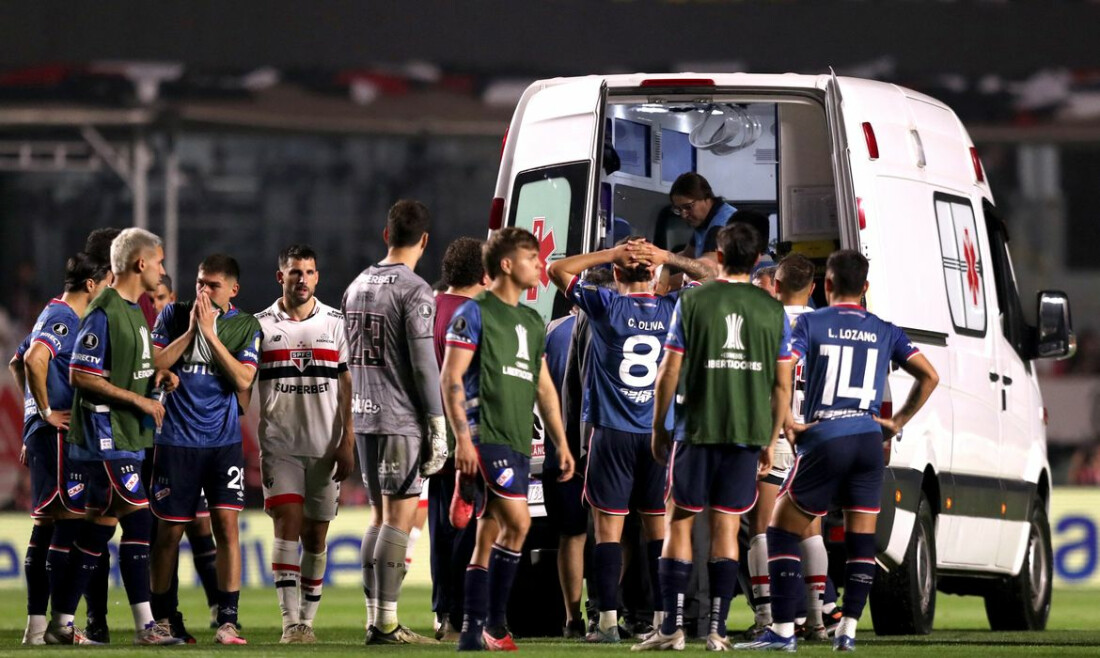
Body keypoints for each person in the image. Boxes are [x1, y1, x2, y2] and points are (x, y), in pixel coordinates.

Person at [736, 249, 939, 652]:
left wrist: (786, 424)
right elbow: (930, 376)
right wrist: (897, 421)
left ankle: (782, 630)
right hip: (867, 438)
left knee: (779, 530)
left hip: (826, 435)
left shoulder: (811, 323)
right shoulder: (884, 328)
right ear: (864, 288)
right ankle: (846, 627)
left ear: (826, 285)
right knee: (861, 540)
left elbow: (784, 371)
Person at [547, 238, 714, 643]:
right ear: (655, 275)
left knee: (608, 532)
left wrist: (610, 254)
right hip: (659, 435)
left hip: (612, 434)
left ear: (618, 274)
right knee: (660, 531)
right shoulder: (677, 307)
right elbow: (712, 276)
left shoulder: (603, 304)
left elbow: (556, 270)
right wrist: (667, 258)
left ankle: (605, 624)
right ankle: (661, 621)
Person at [638, 222, 793, 652]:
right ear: (757, 259)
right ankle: (717, 631)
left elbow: (668, 371)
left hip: (697, 429)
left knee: (680, 520)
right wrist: (769, 436)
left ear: (719, 258)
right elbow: (782, 385)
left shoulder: (693, 300)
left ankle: (671, 628)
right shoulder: (772, 310)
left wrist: (657, 427)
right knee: (727, 526)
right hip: (746, 433)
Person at [441, 227, 576, 651]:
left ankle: (471, 631)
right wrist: (462, 440)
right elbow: (450, 379)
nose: (540, 265)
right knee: (518, 523)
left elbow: (544, 388)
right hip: (487, 434)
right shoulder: (475, 311)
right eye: (531, 258)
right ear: (505, 265)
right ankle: (494, 626)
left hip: (518, 437)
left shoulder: (531, 320)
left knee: (490, 534)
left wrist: (562, 442)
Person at [58, 228, 182, 645]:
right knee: (139, 520)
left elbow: (134, 369)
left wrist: (158, 378)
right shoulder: (105, 309)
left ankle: (59, 624)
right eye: (159, 262)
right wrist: (141, 401)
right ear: (140, 263)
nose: (163, 270)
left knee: (97, 531)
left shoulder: (135, 311)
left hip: (128, 435)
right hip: (103, 435)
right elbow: (81, 374)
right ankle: (147, 628)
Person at [342, 200, 447, 645]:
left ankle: (375, 619)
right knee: (399, 520)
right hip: (401, 418)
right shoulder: (416, 290)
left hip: (364, 415)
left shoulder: (354, 285)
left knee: (378, 516)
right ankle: (386, 624)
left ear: (387, 235)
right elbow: (424, 366)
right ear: (424, 240)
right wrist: (438, 424)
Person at [148, 253, 261, 645]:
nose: (203, 291)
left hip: (223, 443)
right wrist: (193, 330)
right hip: (175, 442)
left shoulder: (245, 326)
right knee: (169, 534)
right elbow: (154, 362)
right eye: (199, 282)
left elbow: (245, 378)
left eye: (212, 285)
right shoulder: (173, 316)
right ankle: (163, 618)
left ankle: (227, 620)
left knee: (227, 528)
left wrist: (211, 336)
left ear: (232, 289)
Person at [255, 244, 356, 644]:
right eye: (295, 272)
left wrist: (347, 438)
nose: (303, 279)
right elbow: (246, 383)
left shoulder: (336, 322)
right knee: (288, 526)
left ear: (318, 277)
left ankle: (307, 621)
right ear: (281, 277)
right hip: (279, 446)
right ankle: (290, 622)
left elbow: (347, 383)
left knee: (316, 536)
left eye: (310, 272)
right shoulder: (259, 325)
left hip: (326, 447)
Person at [9, 252, 111, 645]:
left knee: (46, 525)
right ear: (91, 284)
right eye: (104, 284)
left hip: (42, 434)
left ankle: (36, 629)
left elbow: (16, 364)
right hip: (56, 435)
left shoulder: (48, 312)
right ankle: (59, 627)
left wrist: (31, 417)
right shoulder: (65, 318)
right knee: (67, 524)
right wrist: (47, 412)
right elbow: (34, 360)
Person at [744, 253, 835, 640]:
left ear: (775, 287)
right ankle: (816, 619)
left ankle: (768, 617)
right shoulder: (826, 326)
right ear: (813, 288)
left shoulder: (764, 324)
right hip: (817, 436)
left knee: (762, 527)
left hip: (777, 432)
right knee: (810, 528)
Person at [429, 237, 487, 641]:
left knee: (441, 529)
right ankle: (464, 615)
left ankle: (442, 613)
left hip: (432, 437)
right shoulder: (474, 314)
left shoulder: (426, 308)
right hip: (466, 435)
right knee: (469, 529)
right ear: (483, 273)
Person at [668, 173, 736, 266]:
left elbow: (705, 271)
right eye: (678, 209)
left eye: (688, 207)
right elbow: (687, 256)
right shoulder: (704, 221)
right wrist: (658, 261)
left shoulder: (720, 227)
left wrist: (660, 279)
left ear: (707, 198)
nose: (684, 215)